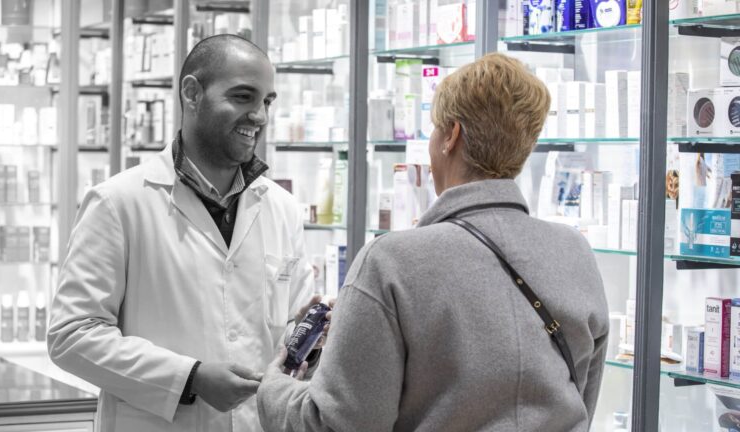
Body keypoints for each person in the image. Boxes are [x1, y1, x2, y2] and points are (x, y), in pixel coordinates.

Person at [256, 53, 610, 432]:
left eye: (434, 129)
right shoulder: (574, 252)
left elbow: (336, 425)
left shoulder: (391, 262)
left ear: (451, 136)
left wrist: (274, 388)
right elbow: (582, 402)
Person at [48, 34, 321, 432]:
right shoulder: (118, 202)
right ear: (192, 93)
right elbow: (71, 335)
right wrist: (189, 378)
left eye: (266, 101)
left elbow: (289, 322)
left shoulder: (281, 207)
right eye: (243, 97)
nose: (260, 116)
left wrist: (307, 343)